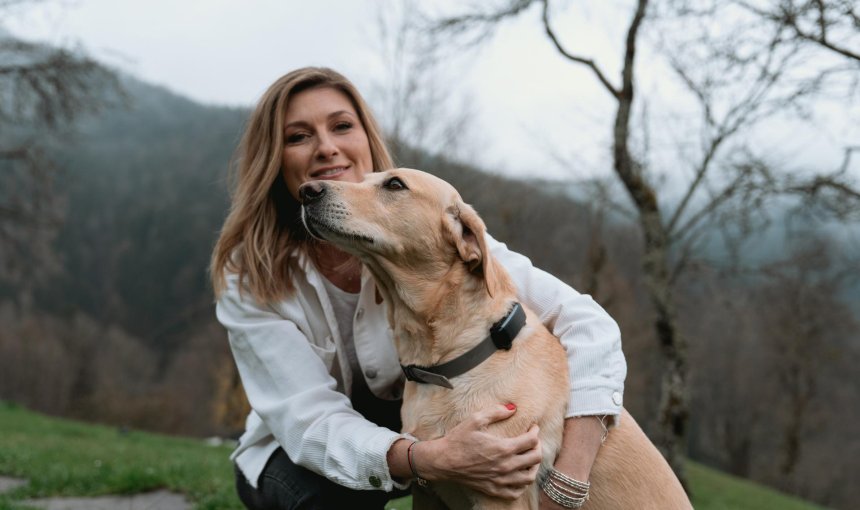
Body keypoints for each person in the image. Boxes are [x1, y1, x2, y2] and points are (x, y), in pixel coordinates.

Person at [211, 67, 626, 510]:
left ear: (367, 138)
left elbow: (589, 325)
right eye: (297, 137)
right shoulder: (246, 275)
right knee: (329, 501)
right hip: (301, 450)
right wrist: (431, 457)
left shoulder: (438, 234)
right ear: (274, 158)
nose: (326, 147)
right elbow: (311, 423)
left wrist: (568, 479)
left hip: (420, 417)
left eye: (341, 126)